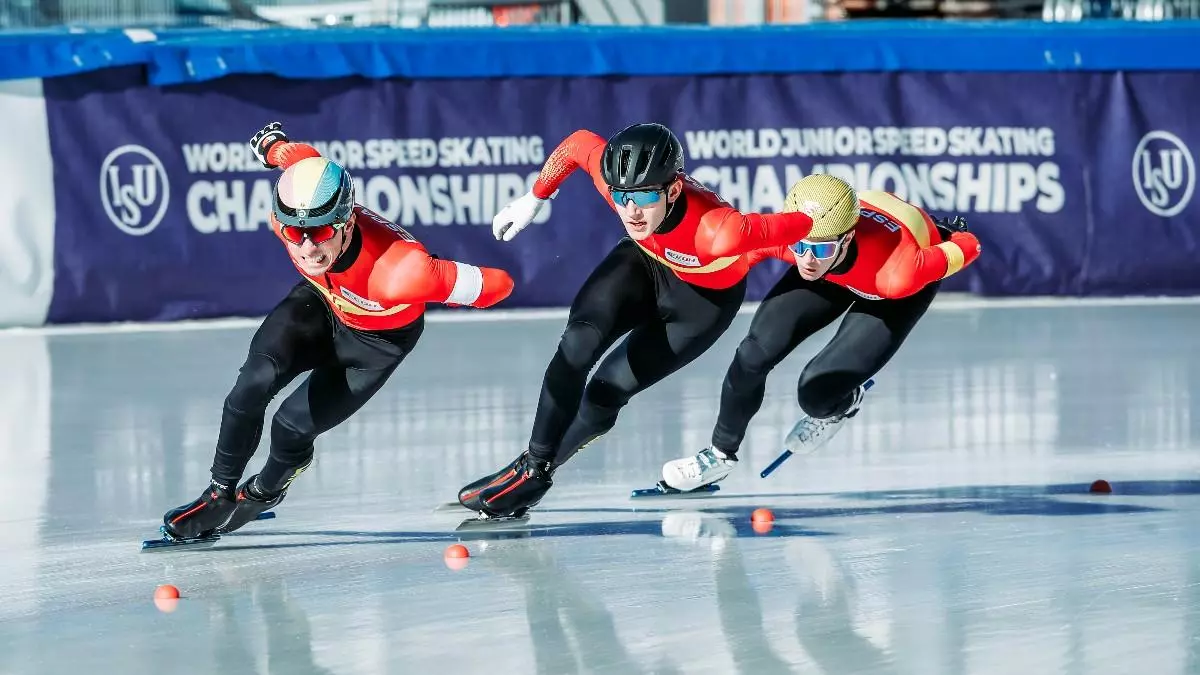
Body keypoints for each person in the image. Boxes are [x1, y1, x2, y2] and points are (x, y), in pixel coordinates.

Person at [456, 122, 841, 519]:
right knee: (576, 345)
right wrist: (535, 196)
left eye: (644, 196)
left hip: (702, 304)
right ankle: (532, 468)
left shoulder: (719, 231)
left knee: (606, 391)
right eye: (622, 196)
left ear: (673, 190)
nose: (632, 211)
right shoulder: (620, 188)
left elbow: (806, 224)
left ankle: (538, 472)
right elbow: (577, 144)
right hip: (643, 263)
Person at [158, 122, 515, 541]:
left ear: (347, 221)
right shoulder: (291, 214)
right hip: (321, 305)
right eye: (295, 233)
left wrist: (439, 283)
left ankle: (265, 492)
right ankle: (218, 495)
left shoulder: (401, 273)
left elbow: (501, 284)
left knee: (290, 426)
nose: (308, 247)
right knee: (251, 385)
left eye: (322, 232)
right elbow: (298, 157)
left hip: (376, 345)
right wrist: (273, 146)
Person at [659, 177, 982, 491]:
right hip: (844, 266)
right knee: (752, 355)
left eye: (821, 248)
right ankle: (719, 455)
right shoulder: (794, 244)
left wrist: (952, 237)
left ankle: (843, 404)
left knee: (816, 396)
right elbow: (727, 263)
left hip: (889, 275)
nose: (808, 260)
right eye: (799, 246)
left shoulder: (899, 273)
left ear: (847, 237)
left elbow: (970, 247)